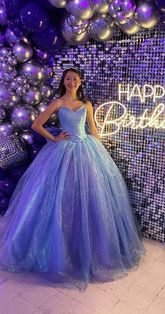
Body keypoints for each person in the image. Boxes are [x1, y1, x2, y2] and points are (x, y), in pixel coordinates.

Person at [0, 68, 145, 290]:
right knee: (60, 198)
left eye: (75, 79)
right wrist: (55, 138)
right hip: (63, 151)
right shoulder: (58, 103)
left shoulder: (86, 104)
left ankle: (91, 251)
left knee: (90, 197)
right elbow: (36, 124)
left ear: (80, 81)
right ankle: (58, 252)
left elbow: (93, 131)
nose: (71, 81)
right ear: (64, 82)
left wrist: (102, 148)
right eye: (68, 78)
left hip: (87, 149)